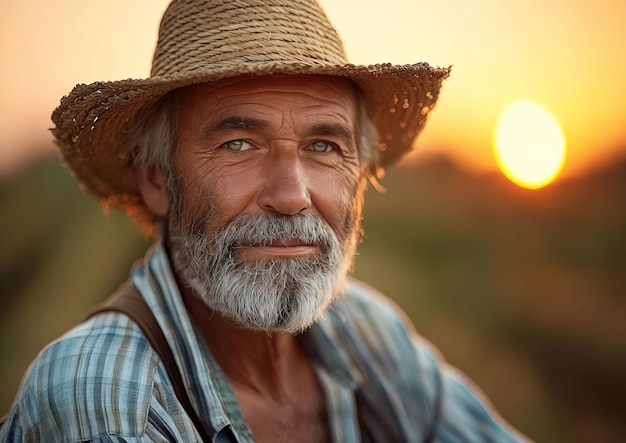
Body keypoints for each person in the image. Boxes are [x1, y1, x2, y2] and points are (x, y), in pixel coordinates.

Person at [1, 0, 529, 441]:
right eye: (238, 143)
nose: (292, 196)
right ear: (157, 178)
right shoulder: (108, 406)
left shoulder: (367, 331)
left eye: (323, 146)